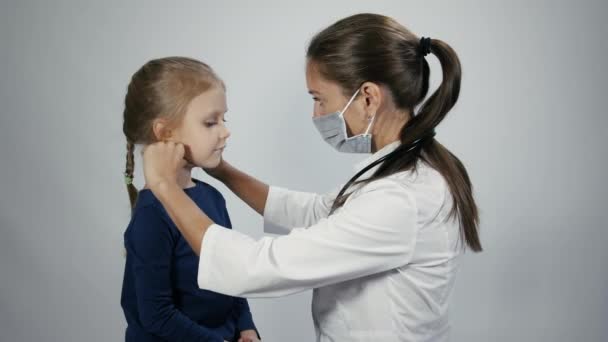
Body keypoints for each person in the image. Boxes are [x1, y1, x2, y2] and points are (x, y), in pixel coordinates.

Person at [142, 13, 482, 342]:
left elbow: (254, 267)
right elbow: (319, 213)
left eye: (320, 99)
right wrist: (223, 172)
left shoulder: (401, 199)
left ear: (368, 98)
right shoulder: (404, 171)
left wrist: (163, 185)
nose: (316, 114)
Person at [120, 57, 260, 342]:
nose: (225, 130)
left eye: (224, 119)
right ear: (165, 133)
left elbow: (229, 271)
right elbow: (156, 315)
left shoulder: (212, 197)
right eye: (210, 122)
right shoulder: (151, 214)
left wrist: (246, 326)